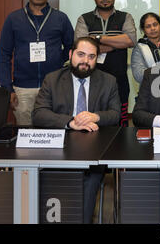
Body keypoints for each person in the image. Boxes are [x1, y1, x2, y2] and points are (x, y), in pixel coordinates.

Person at [32, 37, 120, 223]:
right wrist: (70, 122)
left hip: (93, 150)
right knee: (48, 176)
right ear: (71, 54)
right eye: (81, 55)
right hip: (58, 149)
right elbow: (39, 114)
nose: (85, 61)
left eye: (91, 56)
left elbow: (115, 114)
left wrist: (96, 116)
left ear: (97, 59)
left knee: (89, 179)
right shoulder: (53, 79)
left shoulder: (108, 81)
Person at [0, 0, 74, 125]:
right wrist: (8, 88)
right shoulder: (14, 19)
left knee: (53, 132)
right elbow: (4, 55)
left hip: (54, 87)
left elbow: (71, 46)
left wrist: (58, 60)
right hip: (23, 88)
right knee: (26, 135)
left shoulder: (60, 18)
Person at [74, 0, 137, 126]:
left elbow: (131, 40)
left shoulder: (125, 17)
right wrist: (116, 44)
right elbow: (81, 46)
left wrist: (97, 38)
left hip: (119, 80)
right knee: (91, 121)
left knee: (121, 122)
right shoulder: (84, 19)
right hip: (90, 81)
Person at [131, 13, 160, 84]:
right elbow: (139, 75)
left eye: (155, 24)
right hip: (150, 91)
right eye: (148, 26)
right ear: (143, 30)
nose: (152, 28)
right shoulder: (139, 48)